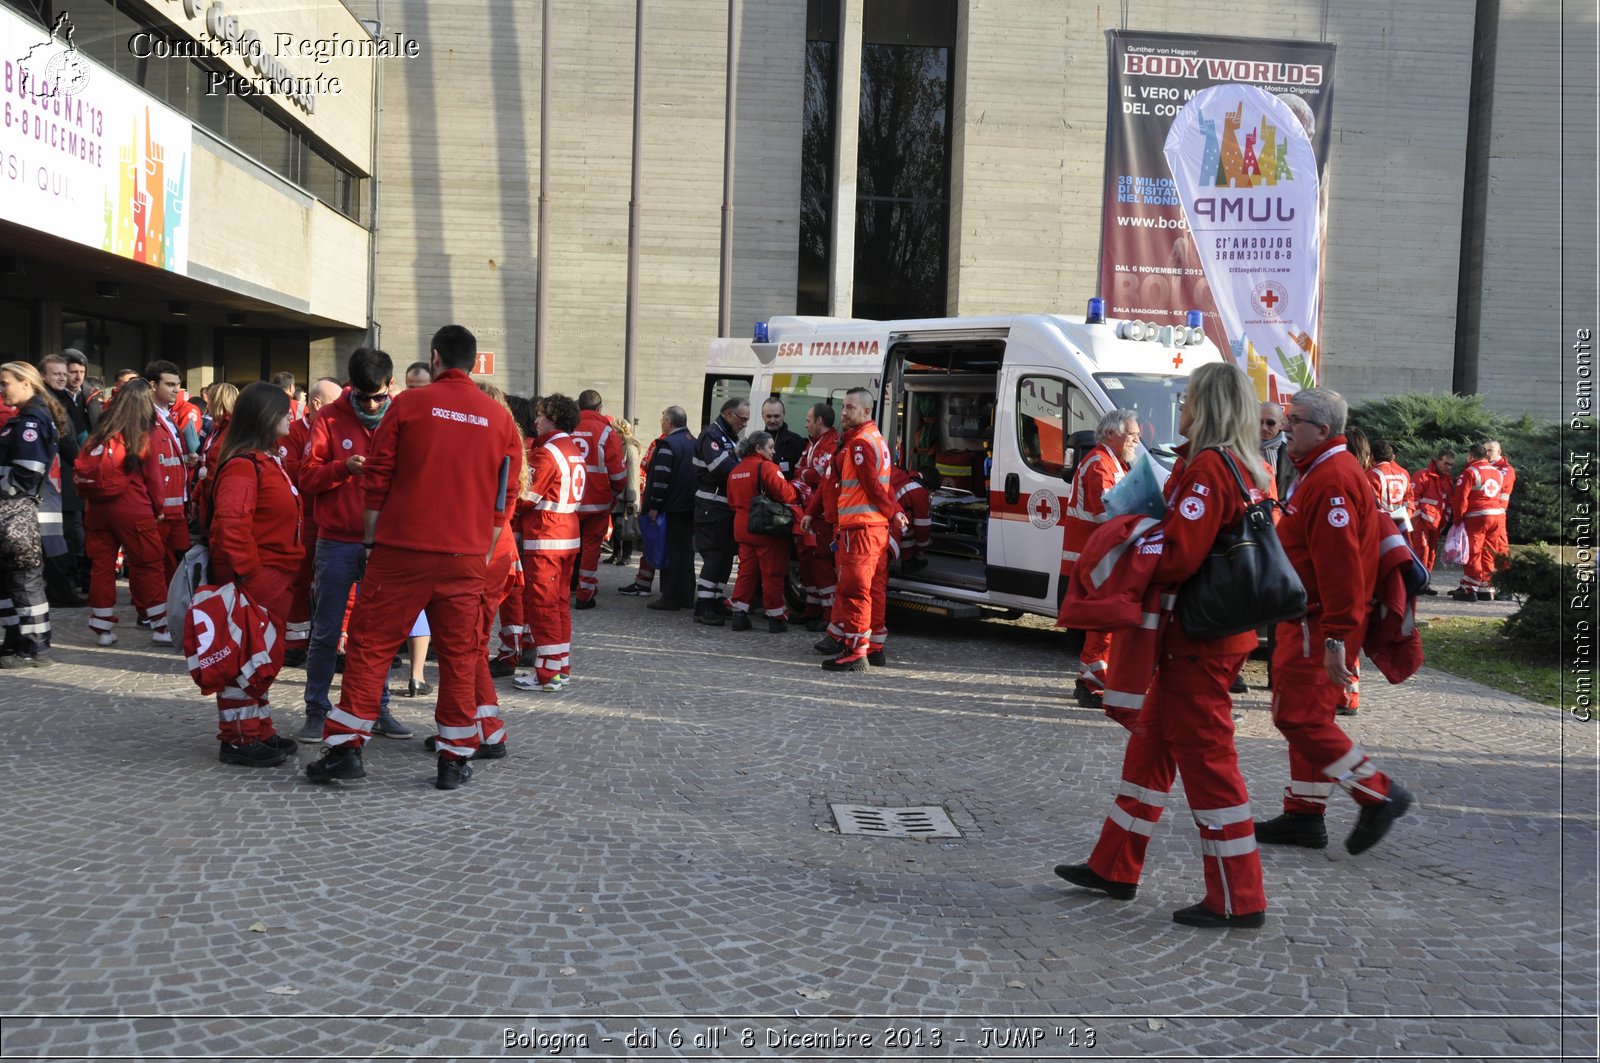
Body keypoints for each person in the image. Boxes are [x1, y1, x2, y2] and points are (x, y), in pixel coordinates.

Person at [1053, 362, 1270, 929]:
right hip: (1209, 633)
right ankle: (1113, 867)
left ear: (1207, 405)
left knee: (1210, 765)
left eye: (1189, 397)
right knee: (1148, 753)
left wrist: (1135, 530)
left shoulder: (1207, 468)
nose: (1181, 407)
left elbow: (1177, 556)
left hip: (1196, 638)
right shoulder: (1248, 465)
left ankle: (1237, 898)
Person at [307, 324, 520, 791]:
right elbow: (506, 498)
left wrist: (369, 540)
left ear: (436, 356)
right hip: (465, 556)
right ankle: (454, 757)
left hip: (401, 550)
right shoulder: (499, 419)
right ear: (471, 360)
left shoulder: (409, 405)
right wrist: (481, 550)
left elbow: (377, 477)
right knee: (461, 657)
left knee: (370, 647)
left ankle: (345, 750)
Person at [1255, 387, 1412, 855]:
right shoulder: (1321, 471)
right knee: (1308, 716)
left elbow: (1342, 567)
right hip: (1309, 618)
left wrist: (1337, 637)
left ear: (1322, 430)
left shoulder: (1331, 479)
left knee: (1297, 716)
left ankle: (1377, 792)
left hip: (1318, 622)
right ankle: (1304, 814)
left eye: (1293, 420)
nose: (1284, 428)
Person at [294, 348, 413, 741]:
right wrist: (342, 468)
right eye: (364, 398)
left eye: (379, 396)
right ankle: (316, 709)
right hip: (337, 541)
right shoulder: (328, 418)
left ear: (391, 386)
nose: (373, 404)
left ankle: (377, 708)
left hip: (384, 544)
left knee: (377, 635)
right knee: (327, 631)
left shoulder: (402, 417)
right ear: (351, 389)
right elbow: (307, 478)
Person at [205, 382, 304, 768]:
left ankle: (258, 729)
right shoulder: (244, 465)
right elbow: (231, 526)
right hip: (256, 580)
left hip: (272, 577)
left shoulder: (264, 460)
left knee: (261, 659)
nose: (291, 416)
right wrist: (252, 577)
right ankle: (237, 739)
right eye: (284, 411)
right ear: (265, 417)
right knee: (245, 660)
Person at [802, 387, 906, 671]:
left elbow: (873, 487)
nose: (844, 413)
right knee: (873, 590)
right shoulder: (875, 439)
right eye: (844, 407)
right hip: (872, 529)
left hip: (858, 530)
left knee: (853, 590)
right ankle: (873, 647)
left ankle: (855, 651)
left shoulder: (859, 443)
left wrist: (894, 512)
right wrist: (893, 514)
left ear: (866, 411)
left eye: (849, 407)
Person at [80, 379, 171, 647]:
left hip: (97, 509)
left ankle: (103, 628)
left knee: (102, 567)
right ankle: (160, 626)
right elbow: (154, 479)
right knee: (149, 566)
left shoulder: (101, 430)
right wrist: (158, 508)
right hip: (134, 509)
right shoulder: (144, 431)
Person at [1059, 409, 1139, 708]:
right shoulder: (1099, 464)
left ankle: (1093, 680)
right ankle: (1090, 684)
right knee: (1102, 625)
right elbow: (1108, 514)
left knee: (1106, 624)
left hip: (1103, 557)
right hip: (1093, 558)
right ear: (1111, 434)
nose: (1136, 440)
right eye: (1132, 435)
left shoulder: (1114, 462)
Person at [511, 393, 586, 692]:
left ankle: (547, 673)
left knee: (542, 606)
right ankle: (560, 666)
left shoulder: (547, 452)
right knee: (558, 605)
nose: (536, 420)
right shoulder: (571, 448)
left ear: (551, 417)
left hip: (546, 538)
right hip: (567, 535)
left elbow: (526, 499)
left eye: (540, 415)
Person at [0, 361, 64, 666]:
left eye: (5, 383)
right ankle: (16, 641)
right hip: (17, 517)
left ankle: (35, 649)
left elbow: (27, 474)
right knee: (12, 582)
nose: (2, 389)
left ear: (26, 383)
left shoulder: (30, 421)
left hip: (20, 517)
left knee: (25, 583)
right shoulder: (27, 417)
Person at [278, 377, 343, 666]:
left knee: (335, 584)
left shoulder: (339, 429)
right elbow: (292, 474)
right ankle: (295, 641)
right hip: (304, 518)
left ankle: (338, 643)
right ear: (316, 404)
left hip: (333, 518)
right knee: (300, 580)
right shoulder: (292, 433)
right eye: (334, 403)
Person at [726, 431, 800, 632]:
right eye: (770, 447)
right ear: (758, 448)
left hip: (743, 527)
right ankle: (775, 618)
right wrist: (796, 489)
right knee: (772, 573)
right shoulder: (767, 468)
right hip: (766, 528)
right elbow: (786, 495)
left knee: (746, 573)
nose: (774, 451)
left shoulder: (736, 470)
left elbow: (732, 502)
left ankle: (739, 614)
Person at [692, 396, 749, 625]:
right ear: (728, 414)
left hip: (723, 508)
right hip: (710, 507)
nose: (744, 424)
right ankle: (703, 605)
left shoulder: (728, 436)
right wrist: (747, 470)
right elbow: (722, 469)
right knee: (715, 556)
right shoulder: (712, 435)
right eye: (742, 419)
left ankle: (715, 599)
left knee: (725, 556)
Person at [570, 390, 627, 610]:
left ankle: (562, 588)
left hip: (569, 502)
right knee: (592, 548)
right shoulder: (606, 431)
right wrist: (612, 493)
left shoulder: (567, 427)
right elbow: (619, 475)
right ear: (599, 408)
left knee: (567, 547)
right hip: (597, 502)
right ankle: (585, 593)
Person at [40, 353, 89, 604]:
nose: (62, 377)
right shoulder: (46, 403)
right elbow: (66, 441)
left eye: (64, 373)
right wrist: (83, 463)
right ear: (42, 376)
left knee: (66, 535)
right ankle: (60, 589)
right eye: (57, 373)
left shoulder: (64, 400)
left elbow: (77, 436)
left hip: (67, 481)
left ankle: (62, 586)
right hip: (56, 483)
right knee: (59, 537)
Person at [143, 360, 192, 586]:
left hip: (177, 505)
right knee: (155, 563)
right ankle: (152, 612)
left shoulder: (168, 415)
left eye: (178, 385)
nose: (176, 390)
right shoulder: (145, 417)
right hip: (160, 507)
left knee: (178, 561)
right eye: (170, 384)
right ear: (153, 385)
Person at [644, 406, 697, 611]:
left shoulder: (667, 444)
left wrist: (654, 506)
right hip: (690, 507)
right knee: (686, 553)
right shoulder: (694, 442)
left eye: (662, 420)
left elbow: (661, 479)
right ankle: (686, 595)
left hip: (672, 508)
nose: (661, 424)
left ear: (668, 422)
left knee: (671, 553)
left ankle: (670, 596)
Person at [792, 402, 839, 631]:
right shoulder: (813, 444)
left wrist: (804, 473)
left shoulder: (832, 443)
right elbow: (799, 469)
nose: (805, 424)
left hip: (822, 515)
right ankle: (812, 607)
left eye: (808, 420)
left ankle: (829, 613)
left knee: (821, 563)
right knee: (807, 561)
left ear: (820, 421)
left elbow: (816, 475)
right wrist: (805, 473)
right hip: (808, 512)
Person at [1449, 442, 1510, 601]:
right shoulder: (1497, 472)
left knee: (1473, 551)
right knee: (1489, 551)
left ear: (1470, 456)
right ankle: (1486, 587)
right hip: (1496, 516)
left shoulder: (1469, 472)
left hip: (1477, 516)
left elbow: (1460, 498)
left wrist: (1458, 519)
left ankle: (1469, 589)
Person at [1410, 447, 1456, 582]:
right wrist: (1418, 519)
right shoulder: (1422, 476)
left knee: (1431, 552)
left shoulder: (1447, 480)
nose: (1448, 467)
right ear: (1437, 461)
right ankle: (1418, 581)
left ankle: (1426, 581)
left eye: (1451, 465)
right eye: (1446, 463)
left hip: (1436, 523)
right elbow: (1413, 498)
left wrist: (1444, 521)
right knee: (1421, 551)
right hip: (1421, 522)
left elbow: (1448, 503)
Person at [1367, 439, 1413, 534]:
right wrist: (1405, 519)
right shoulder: (1403, 474)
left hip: (1381, 527)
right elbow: (1409, 500)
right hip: (1401, 524)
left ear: (1372, 455)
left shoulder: (1372, 475)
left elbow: (1371, 504)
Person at [761, 397, 806, 477]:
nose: (772, 420)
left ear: (783, 415)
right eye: (768, 416)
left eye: (776, 416)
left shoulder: (797, 442)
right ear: (762, 416)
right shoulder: (757, 441)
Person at [1258, 401, 1295, 501]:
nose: (1264, 427)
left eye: (1270, 423)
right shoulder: (1242, 453)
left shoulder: (1293, 457)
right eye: (1259, 422)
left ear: (1282, 424)